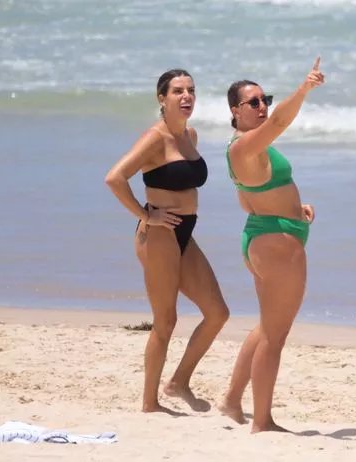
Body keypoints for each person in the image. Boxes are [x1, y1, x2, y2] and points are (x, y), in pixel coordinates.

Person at [105, 69, 230, 414]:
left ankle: (178, 382)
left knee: (218, 313)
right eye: (178, 91)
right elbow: (115, 178)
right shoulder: (155, 138)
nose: (186, 96)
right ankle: (150, 402)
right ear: (162, 99)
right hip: (158, 235)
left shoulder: (189, 135)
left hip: (185, 234)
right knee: (166, 321)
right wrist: (146, 216)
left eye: (191, 90)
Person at [218, 57, 325, 433]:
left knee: (267, 326)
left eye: (266, 99)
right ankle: (262, 421)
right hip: (275, 243)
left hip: (268, 232)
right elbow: (281, 121)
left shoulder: (241, 147)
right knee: (276, 336)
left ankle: (232, 401)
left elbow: (250, 197)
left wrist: (296, 209)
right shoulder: (243, 147)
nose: (263, 107)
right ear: (236, 110)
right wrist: (304, 89)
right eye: (254, 102)